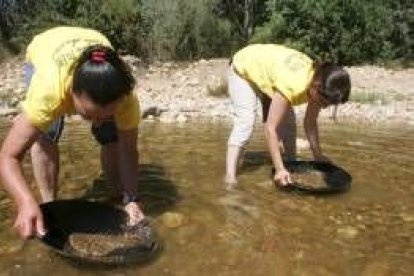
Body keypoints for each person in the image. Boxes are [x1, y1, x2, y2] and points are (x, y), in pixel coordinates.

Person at [0, 26, 144, 239]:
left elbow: (128, 150)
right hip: (45, 47)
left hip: (94, 43)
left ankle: (116, 196)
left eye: (106, 115)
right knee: (47, 136)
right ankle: (50, 207)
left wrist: (131, 198)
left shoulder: (125, 99)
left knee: (111, 136)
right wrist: (24, 201)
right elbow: (8, 156)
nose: (96, 123)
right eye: (89, 115)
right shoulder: (49, 93)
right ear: (70, 92)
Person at [224, 44, 351, 186]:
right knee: (246, 122)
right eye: (323, 102)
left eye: (328, 104)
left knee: (289, 123)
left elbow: (310, 122)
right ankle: (229, 178)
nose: (324, 106)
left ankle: (291, 164)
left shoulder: (320, 80)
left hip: (271, 73)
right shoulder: (295, 84)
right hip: (243, 66)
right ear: (315, 86)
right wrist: (279, 169)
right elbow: (270, 129)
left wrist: (318, 155)